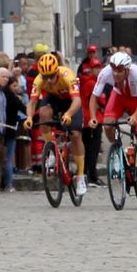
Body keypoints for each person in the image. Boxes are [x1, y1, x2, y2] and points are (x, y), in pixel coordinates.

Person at [88, 52, 137, 200]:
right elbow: (94, 97)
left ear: (127, 70)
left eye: (120, 71)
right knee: (108, 125)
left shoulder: (136, 73)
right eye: (114, 70)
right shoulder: (105, 73)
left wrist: (135, 116)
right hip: (119, 97)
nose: (116, 74)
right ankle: (117, 152)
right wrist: (92, 117)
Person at [22, 53, 86, 196]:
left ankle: (81, 176)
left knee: (76, 135)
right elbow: (32, 102)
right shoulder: (39, 80)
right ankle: (50, 148)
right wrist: (29, 117)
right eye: (45, 77)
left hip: (71, 101)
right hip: (54, 99)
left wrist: (68, 114)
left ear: (57, 71)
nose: (49, 80)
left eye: (51, 76)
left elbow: (77, 101)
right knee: (43, 113)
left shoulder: (67, 75)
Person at [78, 45, 105, 187]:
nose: (98, 70)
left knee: (88, 148)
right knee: (93, 149)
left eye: (99, 67)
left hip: (87, 119)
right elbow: (100, 101)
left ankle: (87, 174)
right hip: (93, 119)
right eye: (96, 68)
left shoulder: (87, 81)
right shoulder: (91, 83)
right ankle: (92, 176)